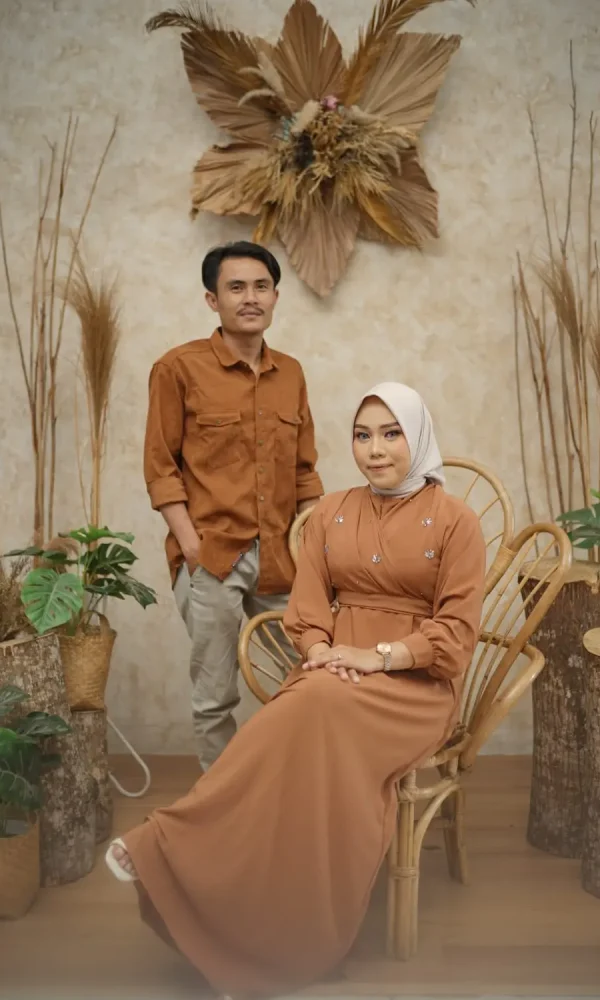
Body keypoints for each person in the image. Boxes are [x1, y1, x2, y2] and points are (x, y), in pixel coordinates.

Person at [106, 382, 486, 999]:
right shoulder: (331, 512)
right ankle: (236, 927)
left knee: (308, 701)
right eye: (362, 435)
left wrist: (373, 657)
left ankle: (169, 839)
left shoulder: (456, 521)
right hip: (330, 672)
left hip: (413, 689)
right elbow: (307, 612)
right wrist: (319, 653)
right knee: (309, 705)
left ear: (417, 437)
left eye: (391, 434)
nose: (375, 450)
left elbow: (455, 637)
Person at [143, 241, 323, 770]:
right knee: (215, 695)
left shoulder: (291, 373)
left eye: (261, 287)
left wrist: (316, 549)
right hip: (212, 558)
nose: (250, 298)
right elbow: (160, 468)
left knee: (305, 680)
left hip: (283, 558)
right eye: (236, 287)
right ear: (212, 300)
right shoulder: (177, 368)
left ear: (275, 297)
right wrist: (192, 546)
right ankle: (220, 806)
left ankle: (290, 788)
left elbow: (304, 471)